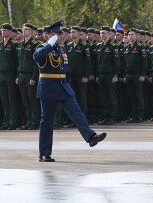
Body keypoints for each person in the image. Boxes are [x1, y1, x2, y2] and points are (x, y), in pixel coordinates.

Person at [33, 21, 106, 162]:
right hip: (48, 88)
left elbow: (65, 70)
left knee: (76, 112)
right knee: (47, 122)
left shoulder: (62, 48)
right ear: (47, 35)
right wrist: (49, 44)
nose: (59, 36)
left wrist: (69, 85)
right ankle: (44, 153)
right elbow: (37, 57)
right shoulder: (42, 47)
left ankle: (90, 137)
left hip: (63, 86)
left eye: (60, 34)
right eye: (56, 34)